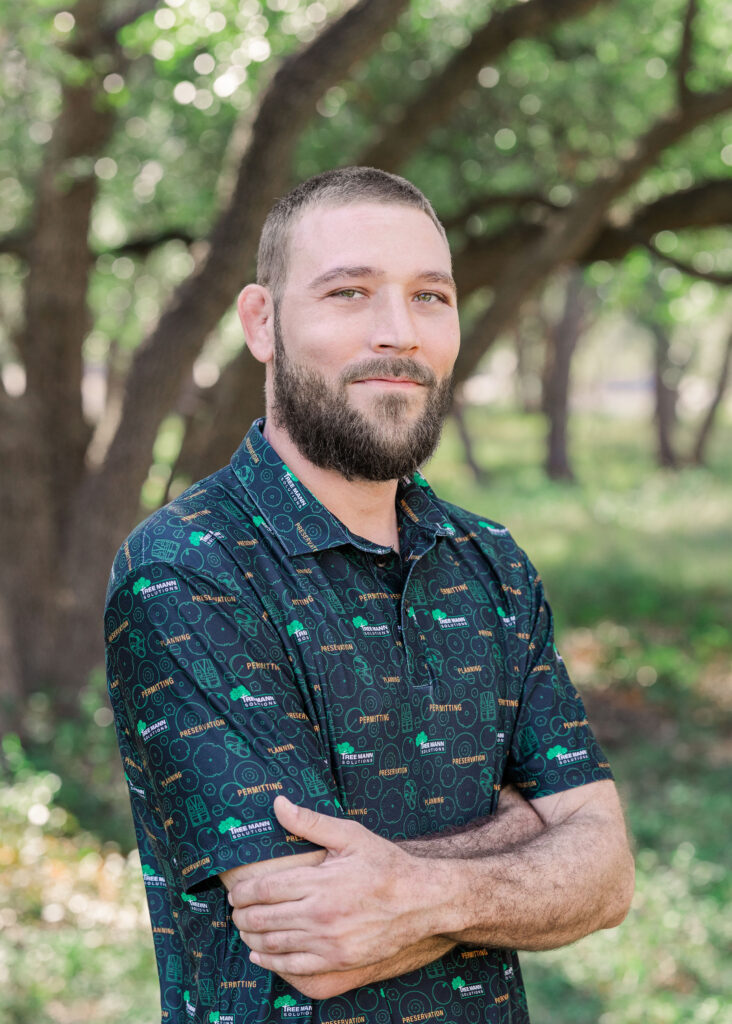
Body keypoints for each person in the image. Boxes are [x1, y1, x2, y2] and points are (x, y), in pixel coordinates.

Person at [104, 166, 634, 1024]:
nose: (399, 332)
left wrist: (411, 888)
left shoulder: (492, 564)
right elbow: (320, 938)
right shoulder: (187, 568)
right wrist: (524, 838)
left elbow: (606, 877)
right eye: (349, 292)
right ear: (262, 323)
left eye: (431, 296)